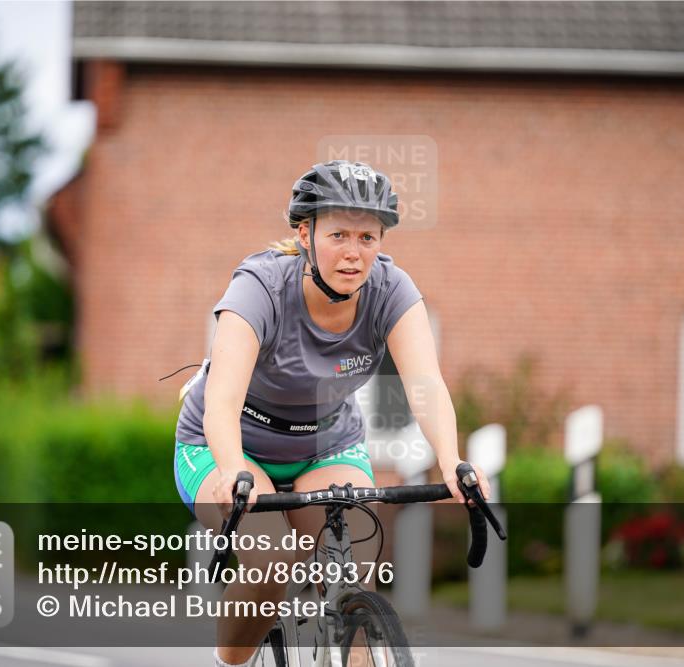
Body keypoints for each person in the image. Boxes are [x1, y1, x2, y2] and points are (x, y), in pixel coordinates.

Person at [173, 159, 491, 667]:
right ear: (305, 232)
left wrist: (453, 460)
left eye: (368, 238)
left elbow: (426, 384)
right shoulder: (260, 287)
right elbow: (223, 401)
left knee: (351, 574)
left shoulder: (391, 290)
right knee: (270, 562)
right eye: (339, 234)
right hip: (230, 444)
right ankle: (227, 662)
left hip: (326, 443)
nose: (354, 253)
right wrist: (233, 469)